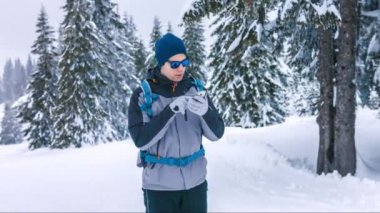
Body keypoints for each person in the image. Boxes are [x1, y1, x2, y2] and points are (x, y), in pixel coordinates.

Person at [128, 32, 225, 212]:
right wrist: (170, 111)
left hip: (195, 185)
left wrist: (206, 112)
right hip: (159, 189)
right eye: (174, 64)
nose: (181, 68)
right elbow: (141, 140)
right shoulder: (142, 95)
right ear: (161, 63)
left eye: (184, 62)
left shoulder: (196, 90)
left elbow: (217, 134)